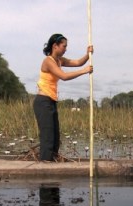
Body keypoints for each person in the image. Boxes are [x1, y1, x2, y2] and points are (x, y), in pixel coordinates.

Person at [33, 33, 93, 162]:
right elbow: (64, 76)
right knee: (48, 137)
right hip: (43, 102)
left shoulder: (60, 60)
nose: (66, 49)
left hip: (51, 101)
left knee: (55, 137)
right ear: (55, 46)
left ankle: (51, 161)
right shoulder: (48, 61)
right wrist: (84, 71)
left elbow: (77, 62)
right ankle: (45, 164)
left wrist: (88, 54)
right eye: (64, 46)